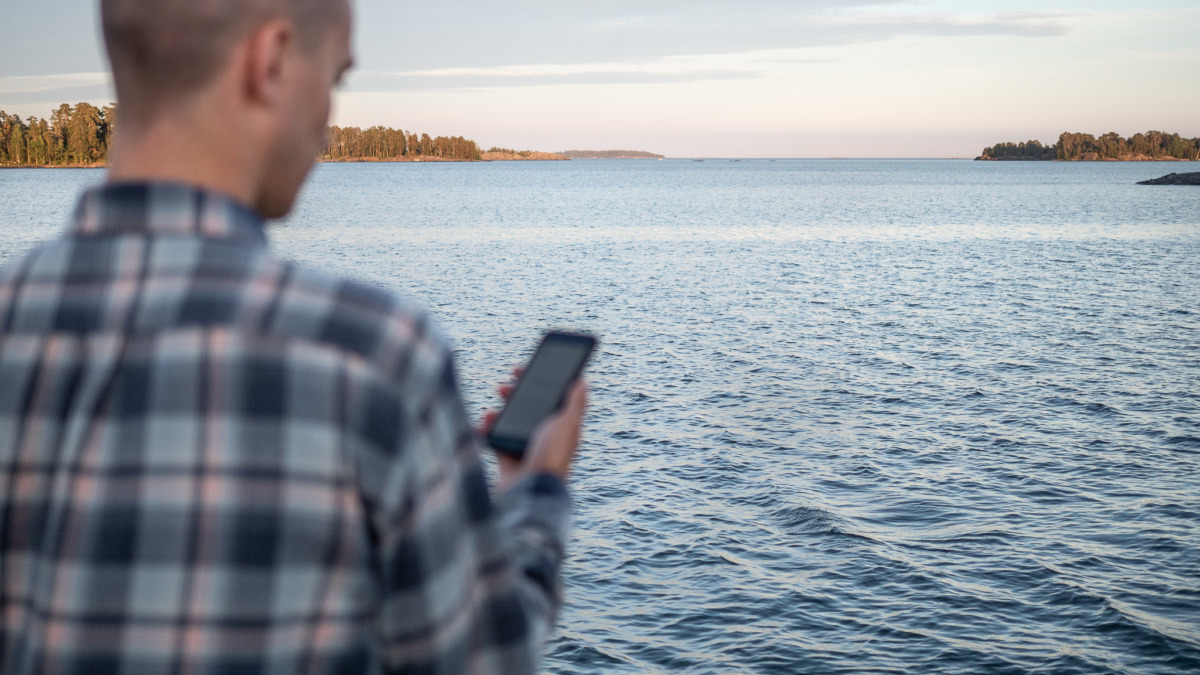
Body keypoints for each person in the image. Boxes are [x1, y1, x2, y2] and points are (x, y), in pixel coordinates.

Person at [0, 0, 586, 672]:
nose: (328, 126)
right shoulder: (370, 356)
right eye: (334, 80)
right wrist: (535, 487)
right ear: (270, 61)